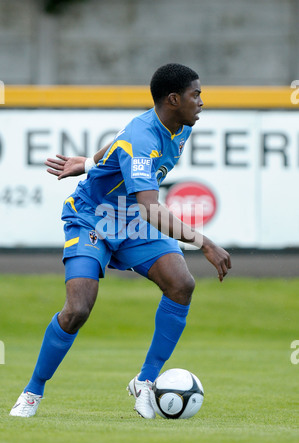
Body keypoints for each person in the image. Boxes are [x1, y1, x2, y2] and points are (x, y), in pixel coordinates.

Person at [10, 63, 231, 419]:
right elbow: (150, 207)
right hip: (93, 218)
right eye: (196, 94)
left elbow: (116, 146)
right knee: (78, 309)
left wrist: (86, 163)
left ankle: (145, 381)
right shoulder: (143, 138)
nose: (201, 101)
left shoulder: (179, 127)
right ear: (174, 99)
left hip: (131, 224)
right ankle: (33, 391)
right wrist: (203, 242)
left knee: (181, 284)